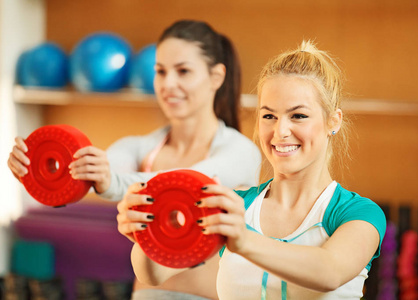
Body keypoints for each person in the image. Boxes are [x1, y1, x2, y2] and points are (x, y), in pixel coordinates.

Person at [8, 20, 261, 300]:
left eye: (183, 71)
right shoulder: (138, 147)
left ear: (216, 77)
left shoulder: (241, 152)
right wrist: (35, 169)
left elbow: (185, 185)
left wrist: (110, 181)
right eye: (160, 72)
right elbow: (89, 175)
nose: (168, 84)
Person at [119, 40, 386, 299]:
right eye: (269, 116)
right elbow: (154, 274)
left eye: (298, 116)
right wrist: (146, 232)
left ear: (332, 121)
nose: (280, 131)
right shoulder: (236, 204)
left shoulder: (358, 214)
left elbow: (330, 271)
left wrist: (244, 240)